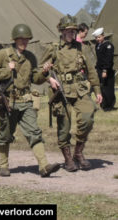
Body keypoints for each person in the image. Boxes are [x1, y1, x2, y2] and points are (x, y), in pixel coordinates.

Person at [0, 23, 60, 177]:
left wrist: (45, 73)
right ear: (15, 39)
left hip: (26, 100)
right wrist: (8, 70)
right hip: (8, 101)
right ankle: (3, 165)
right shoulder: (2, 54)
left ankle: (44, 166)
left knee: (34, 131)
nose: (24, 42)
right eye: (21, 39)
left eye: (27, 39)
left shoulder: (30, 57)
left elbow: (35, 78)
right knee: (6, 133)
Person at [40, 14, 102, 172]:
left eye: (73, 31)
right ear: (61, 31)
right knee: (64, 126)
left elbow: (92, 71)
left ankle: (78, 152)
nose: (71, 34)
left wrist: (97, 90)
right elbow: (39, 69)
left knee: (87, 117)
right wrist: (49, 79)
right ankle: (68, 158)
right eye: (68, 31)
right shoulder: (53, 48)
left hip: (80, 89)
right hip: (61, 91)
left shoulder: (82, 48)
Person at [92, 27, 116, 111]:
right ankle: (104, 104)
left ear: (103, 36)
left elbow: (108, 59)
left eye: (99, 37)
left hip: (107, 70)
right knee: (102, 87)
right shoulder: (98, 45)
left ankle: (109, 106)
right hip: (99, 69)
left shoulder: (108, 45)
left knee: (108, 88)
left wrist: (105, 70)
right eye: (96, 38)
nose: (97, 39)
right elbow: (99, 59)